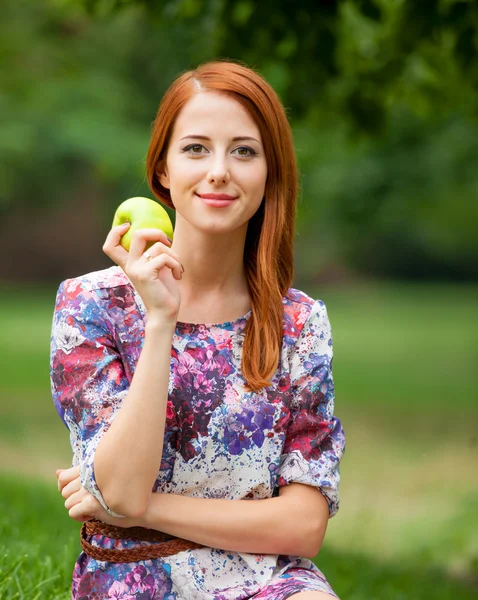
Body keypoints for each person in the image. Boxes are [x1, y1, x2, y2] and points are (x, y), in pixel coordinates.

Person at [51, 60, 346, 600]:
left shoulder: (299, 323)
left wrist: (137, 508)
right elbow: (119, 484)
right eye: (195, 148)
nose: (219, 171)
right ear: (162, 169)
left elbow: (304, 527)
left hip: (268, 578)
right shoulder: (92, 304)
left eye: (244, 151)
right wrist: (161, 319)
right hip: (133, 574)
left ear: (269, 172)